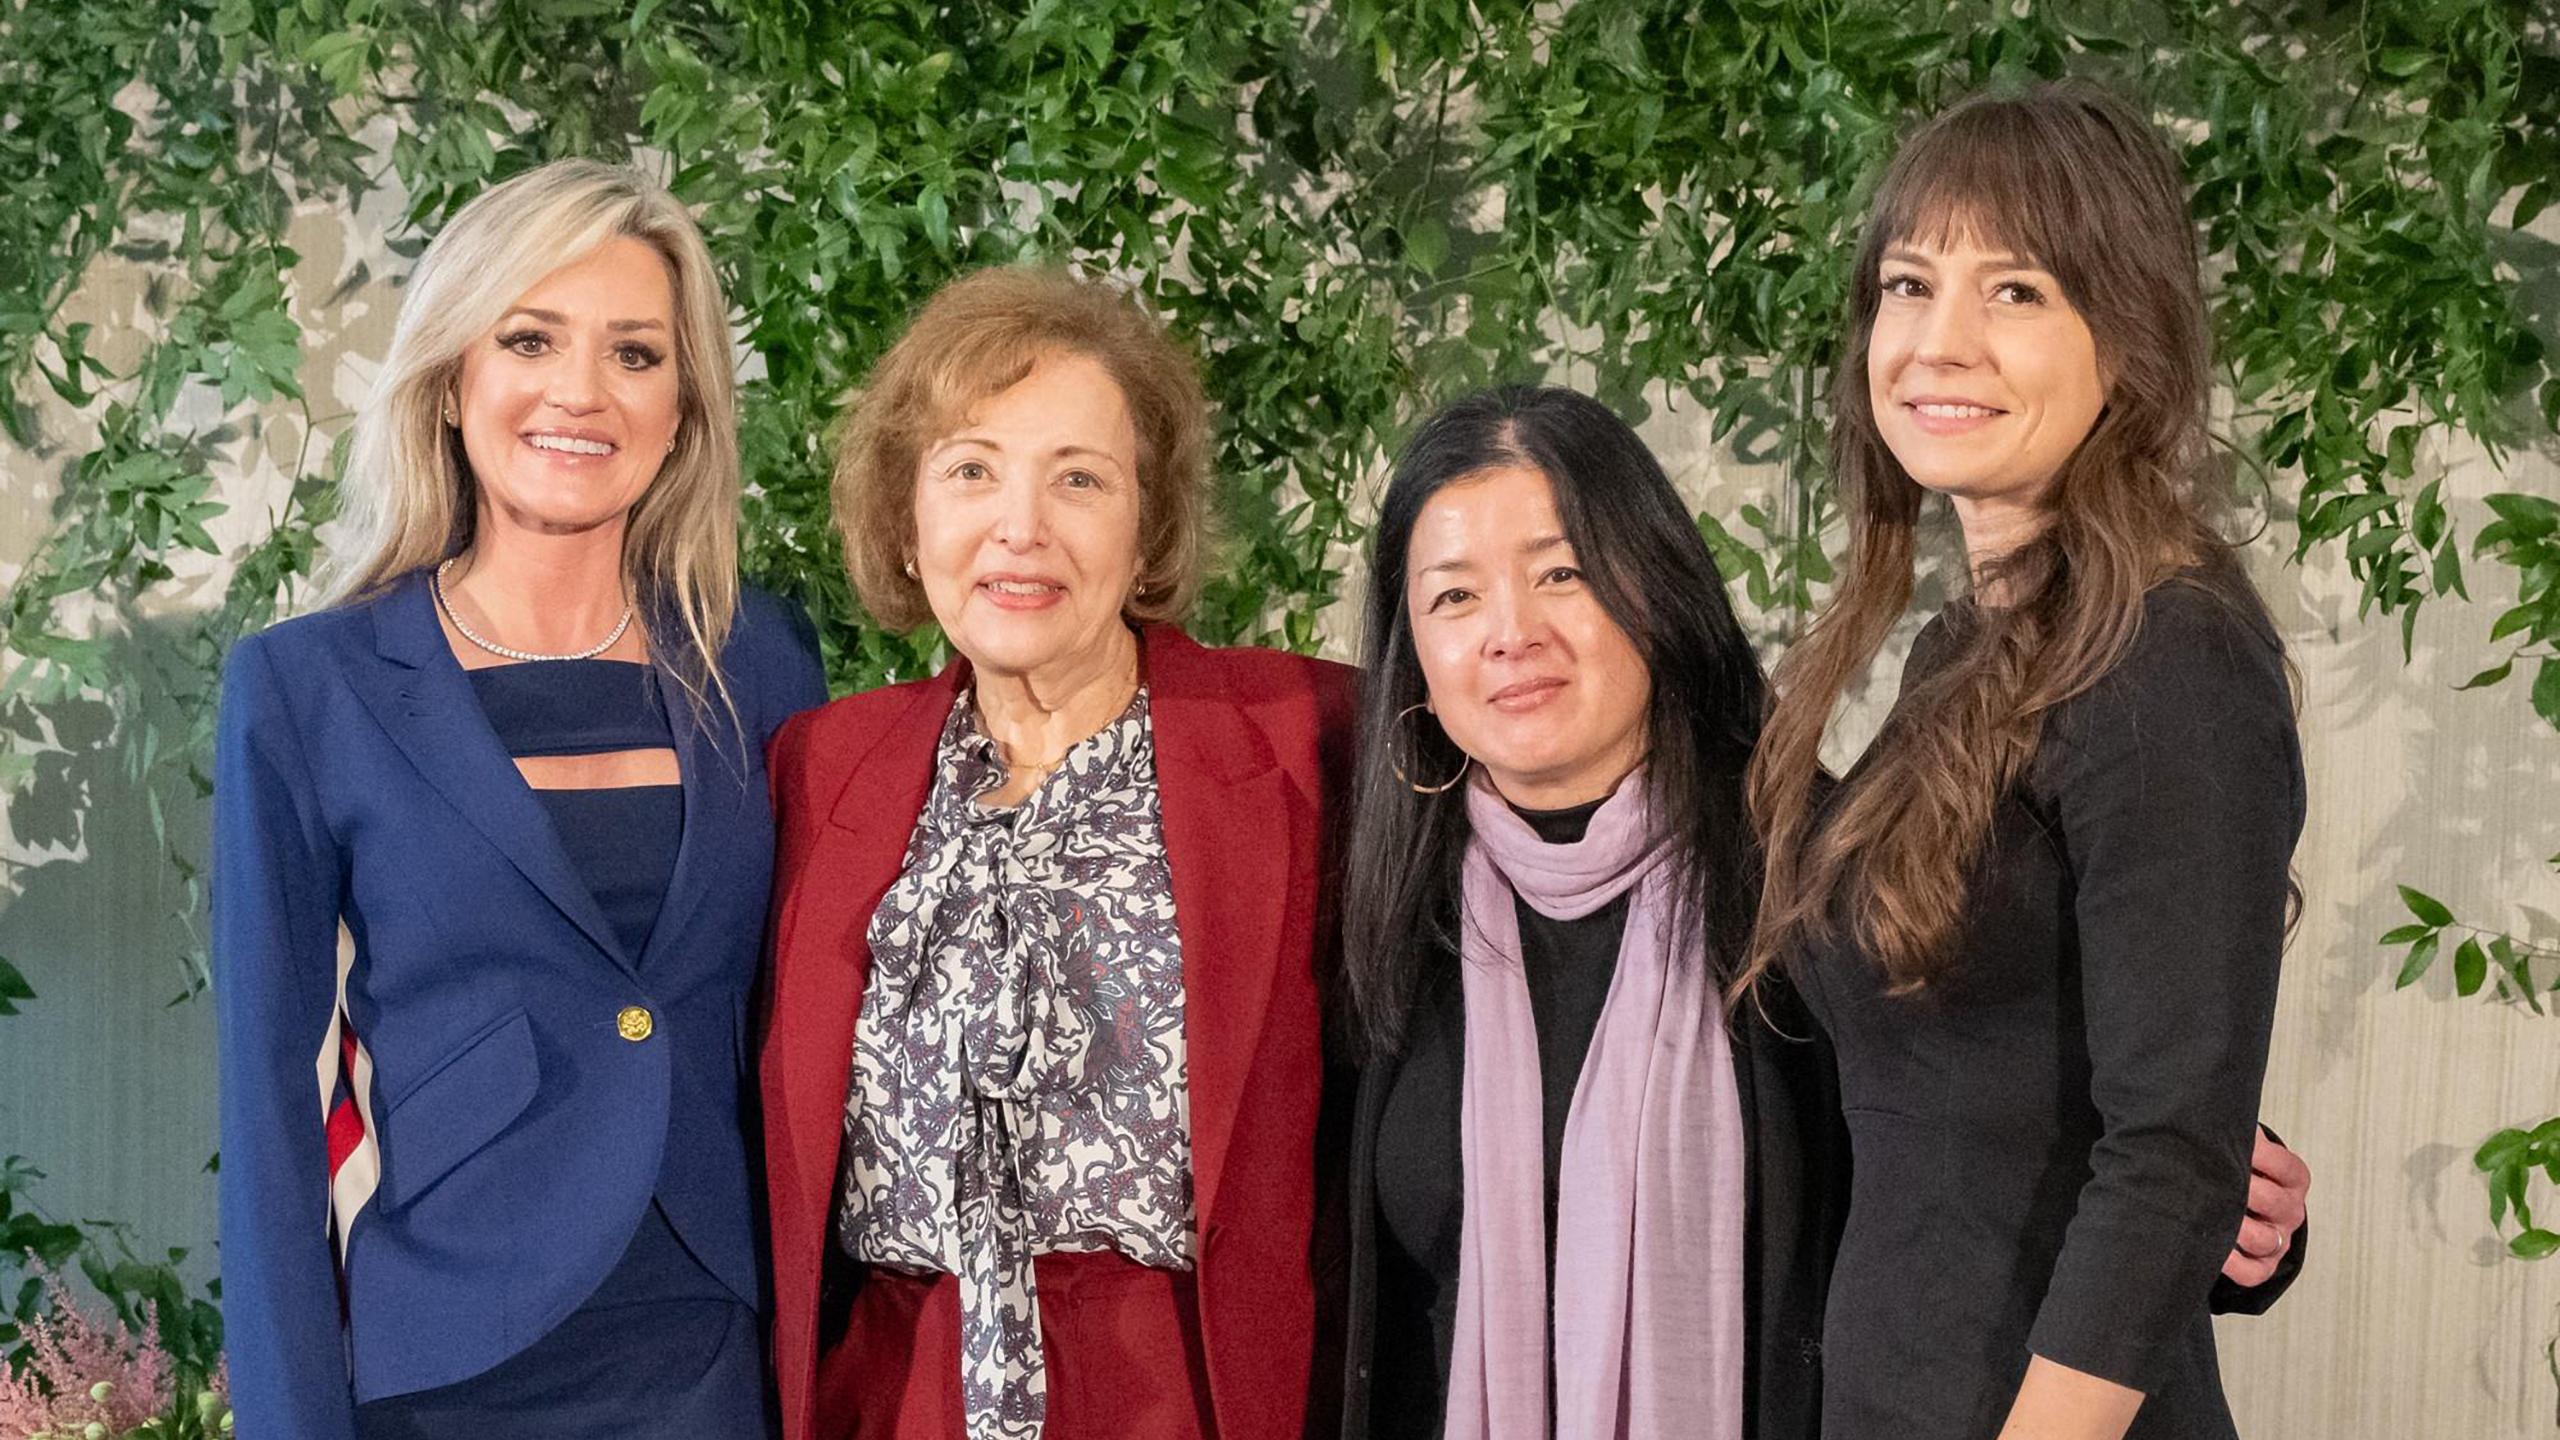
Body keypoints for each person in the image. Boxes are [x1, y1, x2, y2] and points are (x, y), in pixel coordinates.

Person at [1329, 384, 2308, 1440]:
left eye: (1561, 573)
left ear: (1652, 590)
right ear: (1413, 660)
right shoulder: (1380, 917)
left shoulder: (1832, 873)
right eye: (1454, 598)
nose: (1510, 634)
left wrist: (2236, 1213)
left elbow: (2038, 1133)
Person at [214, 159, 825, 1440]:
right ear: (453, 380)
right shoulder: (309, 686)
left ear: (685, 407)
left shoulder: (763, 660)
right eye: (531, 338)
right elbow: (269, 1106)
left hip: (714, 1344)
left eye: (636, 354)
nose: (581, 393)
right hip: (448, 1361)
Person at [1742, 82, 2305, 1440]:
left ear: (2132, 334)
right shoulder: (1976, 644)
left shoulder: (2169, 659)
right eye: (1910, 284)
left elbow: (2167, 1161)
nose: (1940, 344)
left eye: (2018, 293)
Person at [759, 265, 1354, 1440]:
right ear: (909, 516)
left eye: (1078, 479)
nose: (1018, 526)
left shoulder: (1308, 742)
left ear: (1148, 529)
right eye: (970, 470)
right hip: (890, 1393)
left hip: (1187, 1392)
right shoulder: (819, 768)